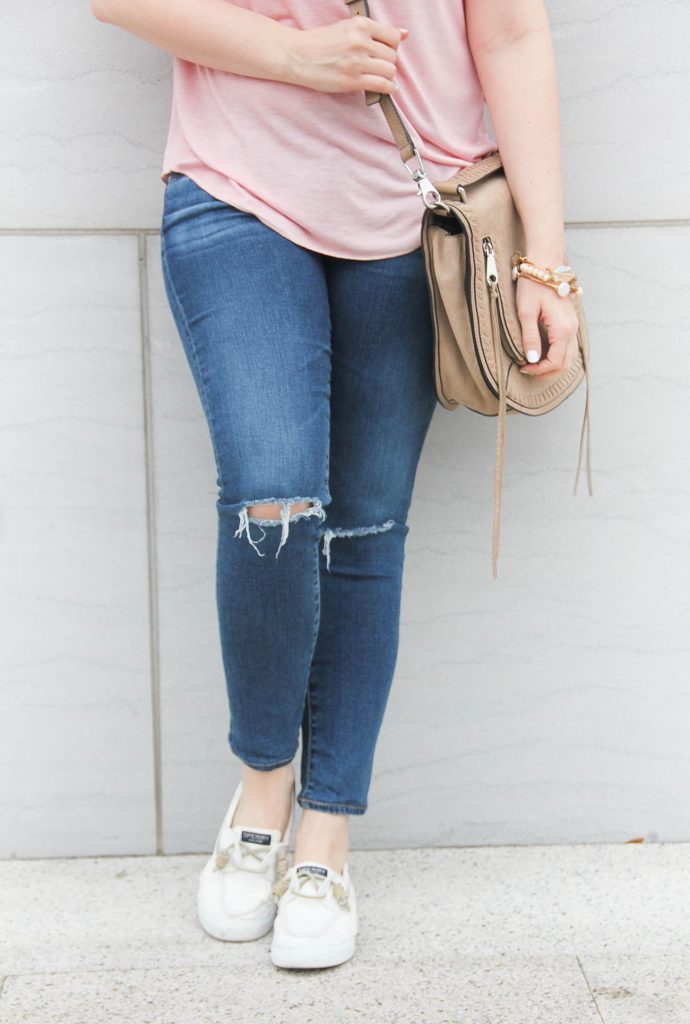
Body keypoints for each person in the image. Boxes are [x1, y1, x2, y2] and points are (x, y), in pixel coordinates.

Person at [91, 0, 579, 970]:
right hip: (236, 188)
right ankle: (263, 789)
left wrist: (546, 262)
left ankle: (326, 835)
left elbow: (513, 33)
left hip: (418, 208)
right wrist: (293, 54)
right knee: (272, 496)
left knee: (364, 530)